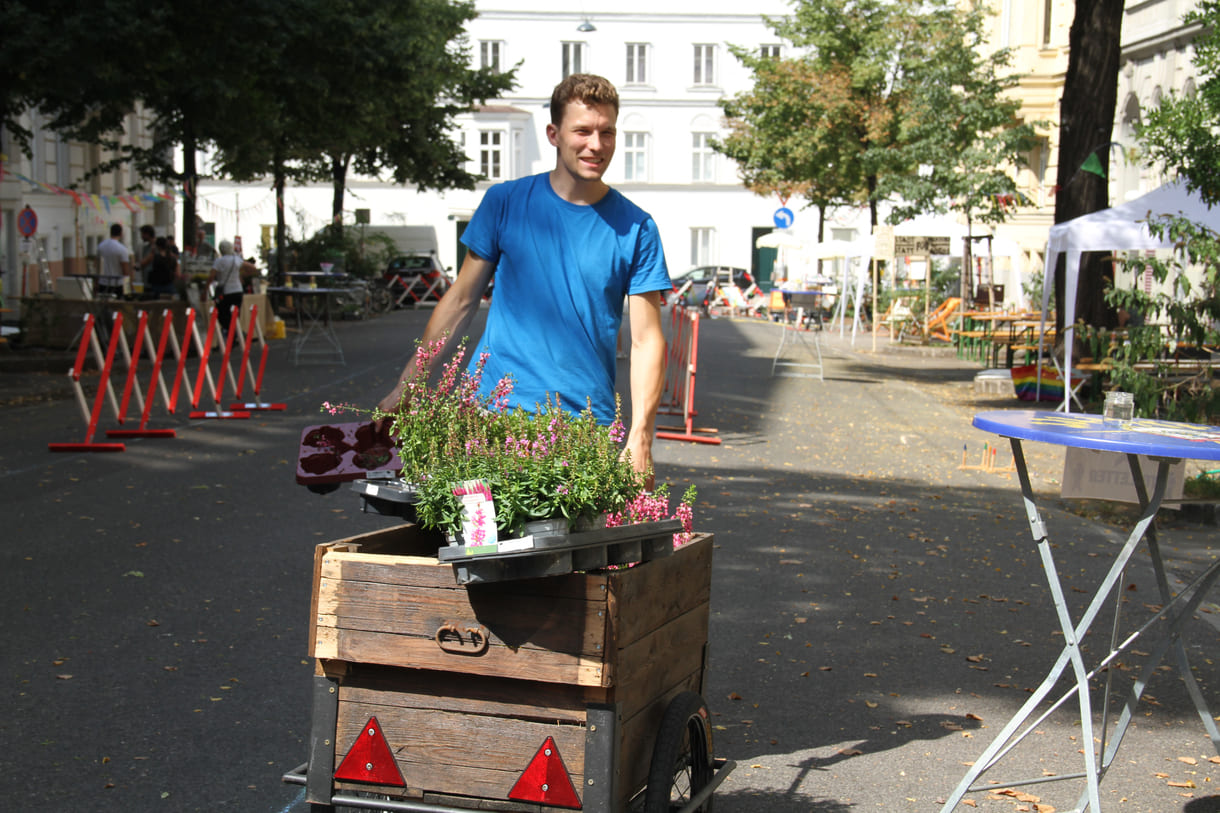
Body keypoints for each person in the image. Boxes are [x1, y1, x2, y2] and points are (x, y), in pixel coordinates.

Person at [378, 74, 671, 485]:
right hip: (486, 415)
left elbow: (646, 340)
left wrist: (641, 436)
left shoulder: (636, 227)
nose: (596, 145)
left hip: (583, 427)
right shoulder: (506, 202)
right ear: (554, 134)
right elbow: (461, 300)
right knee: (474, 548)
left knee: (564, 549)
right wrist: (409, 383)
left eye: (607, 133)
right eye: (583, 131)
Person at [208, 240, 250, 335]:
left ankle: (229, 332)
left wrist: (205, 289)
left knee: (223, 313)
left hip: (226, 291)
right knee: (235, 314)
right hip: (237, 290)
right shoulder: (237, 259)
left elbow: (211, 276)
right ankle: (235, 333)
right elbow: (251, 267)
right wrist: (243, 276)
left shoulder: (219, 261)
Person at [96, 223, 132, 298]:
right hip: (117, 283)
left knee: (104, 306)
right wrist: (128, 289)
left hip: (103, 282)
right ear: (121, 233)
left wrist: (96, 283)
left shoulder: (101, 246)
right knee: (118, 306)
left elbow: (97, 265)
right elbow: (125, 270)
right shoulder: (122, 249)